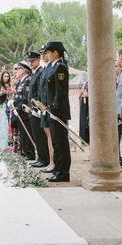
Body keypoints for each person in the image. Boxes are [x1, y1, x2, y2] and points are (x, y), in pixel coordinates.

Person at [43, 40, 71, 182]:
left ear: (55, 52)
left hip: (58, 110)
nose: (47, 55)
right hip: (51, 110)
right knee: (56, 142)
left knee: (61, 142)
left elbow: (60, 92)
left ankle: (63, 173)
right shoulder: (52, 66)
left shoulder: (60, 67)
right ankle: (58, 170)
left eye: (48, 52)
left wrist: (54, 108)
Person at [26, 51, 49, 168]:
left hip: (37, 108)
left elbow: (40, 92)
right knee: (36, 134)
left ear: (38, 59)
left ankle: (44, 158)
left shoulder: (40, 72)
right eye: (29, 61)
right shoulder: (34, 73)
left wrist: (38, 107)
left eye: (32, 60)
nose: (30, 63)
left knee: (40, 135)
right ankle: (40, 156)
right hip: (32, 108)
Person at [38, 45, 56, 173]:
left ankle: (53, 162)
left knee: (52, 137)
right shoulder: (47, 67)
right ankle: (51, 161)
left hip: (51, 108)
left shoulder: (56, 66)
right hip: (44, 107)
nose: (43, 56)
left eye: (45, 53)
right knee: (48, 136)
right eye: (42, 54)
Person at [12, 62, 34, 159]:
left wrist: (18, 108)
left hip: (24, 112)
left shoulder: (28, 81)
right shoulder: (21, 81)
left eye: (18, 68)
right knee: (23, 133)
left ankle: (30, 153)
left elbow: (25, 98)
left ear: (24, 70)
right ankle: (25, 152)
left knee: (27, 133)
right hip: (19, 112)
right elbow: (18, 96)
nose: (16, 71)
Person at [0, 71, 13, 150]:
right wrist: (0, 94)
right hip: (1, 107)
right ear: (2, 77)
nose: (6, 78)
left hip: (8, 107)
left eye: (7, 76)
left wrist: (8, 92)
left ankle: (6, 145)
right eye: (5, 76)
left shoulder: (10, 86)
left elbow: (12, 96)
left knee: (6, 126)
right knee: (0, 126)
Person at [79, 79, 90, 143]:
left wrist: (88, 94)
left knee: (88, 122)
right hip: (84, 105)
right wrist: (82, 92)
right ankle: (83, 138)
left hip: (89, 106)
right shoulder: (86, 81)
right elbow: (82, 91)